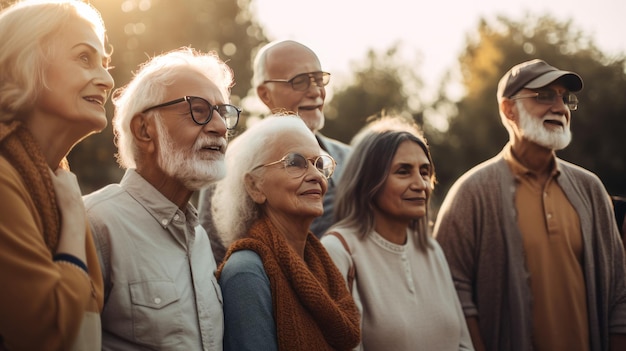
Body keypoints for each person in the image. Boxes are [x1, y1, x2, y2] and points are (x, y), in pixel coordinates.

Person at [434, 59, 626, 351]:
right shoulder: (471, 192)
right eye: (544, 96)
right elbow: (452, 289)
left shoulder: (591, 189)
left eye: (565, 98)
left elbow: (618, 293)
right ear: (508, 109)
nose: (560, 108)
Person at [83, 47, 239, 350]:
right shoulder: (95, 224)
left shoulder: (201, 239)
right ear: (144, 129)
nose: (220, 127)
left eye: (222, 112)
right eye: (199, 109)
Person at [0, 1, 113, 349]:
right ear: (25, 65)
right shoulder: (8, 180)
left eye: (106, 65)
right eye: (84, 58)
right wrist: (73, 221)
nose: (107, 80)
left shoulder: (57, 182)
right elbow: (47, 328)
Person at [320, 116, 473, 350]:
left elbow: (464, 344)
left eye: (424, 171)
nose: (421, 184)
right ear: (368, 181)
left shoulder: (431, 250)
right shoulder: (338, 251)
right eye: (403, 171)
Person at [212, 115, 360, 350]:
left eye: (319, 164)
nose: (316, 176)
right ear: (254, 186)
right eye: (295, 162)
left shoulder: (320, 266)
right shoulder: (246, 273)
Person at [198, 40, 350, 261]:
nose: (316, 91)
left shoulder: (350, 160)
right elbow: (214, 255)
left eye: (319, 80)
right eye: (300, 81)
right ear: (265, 94)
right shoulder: (229, 165)